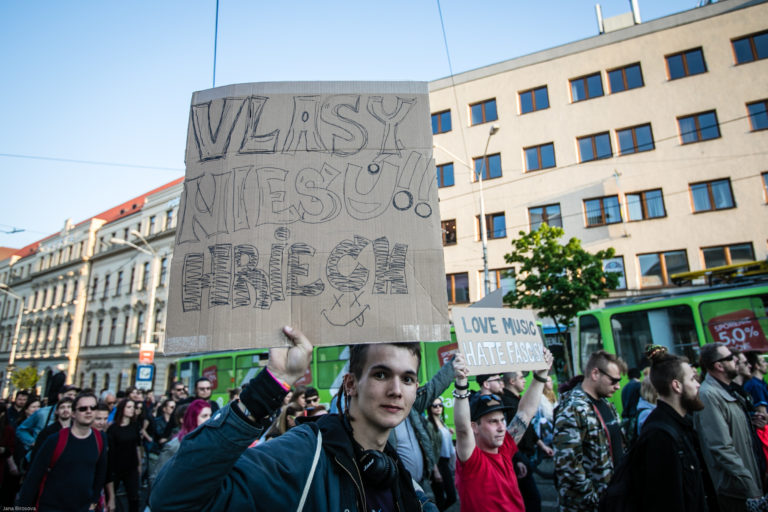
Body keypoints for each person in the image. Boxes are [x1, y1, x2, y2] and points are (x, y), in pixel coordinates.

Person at [151, 326, 432, 511]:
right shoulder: (302, 455)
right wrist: (273, 383)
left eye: (407, 379)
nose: (396, 391)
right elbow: (173, 499)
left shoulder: (404, 483)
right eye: (381, 374)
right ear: (350, 384)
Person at [453, 349, 554, 512]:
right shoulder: (471, 461)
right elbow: (462, 429)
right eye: (493, 422)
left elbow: (525, 413)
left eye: (502, 420)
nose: (501, 427)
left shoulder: (505, 447)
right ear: (475, 427)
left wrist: (541, 374)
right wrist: (461, 383)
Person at [631, 345, 719, 512]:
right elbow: (667, 501)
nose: (698, 385)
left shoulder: (680, 425)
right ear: (677, 386)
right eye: (693, 379)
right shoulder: (660, 435)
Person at [553, 350, 627, 512]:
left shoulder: (606, 404)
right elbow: (568, 464)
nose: (617, 386)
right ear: (595, 374)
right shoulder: (573, 408)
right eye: (614, 380)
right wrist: (594, 499)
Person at [694, 343, 762, 510]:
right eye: (731, 358)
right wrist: (749, 485)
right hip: (738, 490)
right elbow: (721, 447)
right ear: (719, 366)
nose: (736, 360)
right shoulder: (708, 394)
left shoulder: (729, 390)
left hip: (749, 482)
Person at [17, 392, 108, 511]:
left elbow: (101, 473)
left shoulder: (100, 439)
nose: (89, 411)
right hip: (51, 506)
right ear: (73, 414)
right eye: (83, 408)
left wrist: (94, 501)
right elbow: (34, 477)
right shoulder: (55, 440)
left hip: (82, 507)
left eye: (93, 408)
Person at [389, 353, 455, 501]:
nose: (397, 390)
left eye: (406, 380)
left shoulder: (411, 406)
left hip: (422, 485)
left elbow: (433, 388)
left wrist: (453, 366)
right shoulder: (378, 415)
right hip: (397, 490)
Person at [500, 371, 553, 512]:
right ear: (511, 381)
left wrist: (541, 445)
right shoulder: (506, 403)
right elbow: (507, 436)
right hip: (518, 458)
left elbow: (527, 427)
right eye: (521, 377)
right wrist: (517, 458)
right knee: (531, 500)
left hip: (524, 457)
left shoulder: (517, 400)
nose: (524, 380)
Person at [150, 399, 212, 486]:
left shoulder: (209, 441)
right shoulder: (175, 445)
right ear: (192, 418)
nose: (209, 419)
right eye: (204, 416)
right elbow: (157, 478)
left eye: (210, 415)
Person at [16, 385, 78, 454]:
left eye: (75, 395)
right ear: (60, 396)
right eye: (69, 395)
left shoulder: (77, 415)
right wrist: (33, 442)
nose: (72, 398)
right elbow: (21, 429)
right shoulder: (42, 413)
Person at [107, 399, 142, 512]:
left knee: (134, 497)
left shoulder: (135, 426)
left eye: (133, 407)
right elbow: (110, 451)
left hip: (131, 466)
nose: (132, 409)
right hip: (116, 467)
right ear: (122, 409)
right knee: (111, 497)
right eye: (129, 407)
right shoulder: (113, 429)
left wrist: (139, 464)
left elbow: (137, 446)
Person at [427, 397, 456, 511]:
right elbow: (430, 448)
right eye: (435, 406)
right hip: (438, 463)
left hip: (445, 461)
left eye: (440, 405)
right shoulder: (429, 424)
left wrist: (448, 432)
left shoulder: (442, 422)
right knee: (442, 497)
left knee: (449, 497)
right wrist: (435, 470)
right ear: (430, 408)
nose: (439, 407)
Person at [28, 397, 74, 465]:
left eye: (69, 407)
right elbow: (37, 456)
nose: (66, 410)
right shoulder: (47, 432)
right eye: (62, 407)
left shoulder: (78, 431)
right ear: (56, 411)